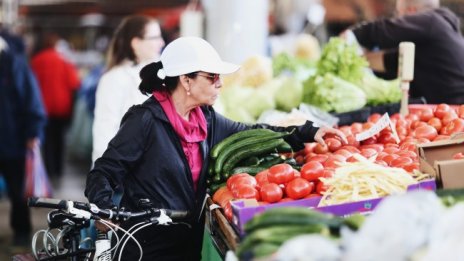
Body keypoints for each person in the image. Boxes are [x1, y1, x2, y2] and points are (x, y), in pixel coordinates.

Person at [85, 36, 347, 260]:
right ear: (186, 81)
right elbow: (104, 172)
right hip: (147, 246)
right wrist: (106, 209)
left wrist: (307, 131)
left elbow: (253, 133)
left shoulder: (205, 118)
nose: (219, 83)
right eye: (211, 77)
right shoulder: (144, 120)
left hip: (188, 244)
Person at [345, 0, 464, 104]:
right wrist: (350, 61)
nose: (396, 18)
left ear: (411, 12)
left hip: (456, 111)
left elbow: (379, 30)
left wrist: (348, 36)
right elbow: (391, 61)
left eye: (397, 13)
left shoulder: (432, 22)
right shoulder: (436, 35)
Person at [92, 15, 165, 163]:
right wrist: (105, 178)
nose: (162, 42)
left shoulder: (162, 74)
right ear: (136, 43)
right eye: (155, 37)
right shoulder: (113, 79)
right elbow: (104, 132)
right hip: (124, 172)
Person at [0, 31, 47, 248]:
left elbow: (32, 99)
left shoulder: (14, 63)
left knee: (18, 190)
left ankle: (21, 231)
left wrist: (33, 133)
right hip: (10, 138)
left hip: (13, 141)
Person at [31, 32, 81, 179]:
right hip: (61, 107)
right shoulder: (64, 60)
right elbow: (74, 84)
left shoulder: (36, 61)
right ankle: (59, 170)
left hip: (42, 107)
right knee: (60, 139)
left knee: (46, 140)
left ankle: (49, 169)